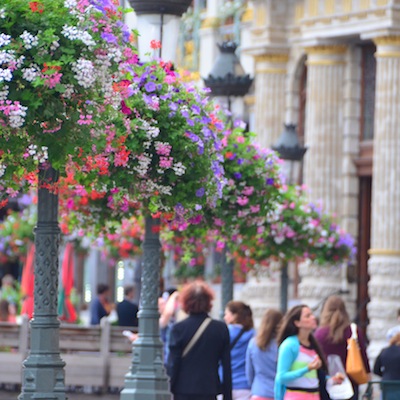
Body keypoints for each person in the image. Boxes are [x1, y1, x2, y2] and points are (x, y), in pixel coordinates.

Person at [167, 280, 232, 400]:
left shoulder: (178, 329)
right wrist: (228, 396)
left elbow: (173, 363)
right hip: (209, 388)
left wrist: (170, 387)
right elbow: (226, 366)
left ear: (186, 302)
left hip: (183, 389)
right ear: (209, 302)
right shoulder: (220, 328)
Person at [274, 304, 342, 400]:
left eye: (312, 314)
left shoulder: (313, 345)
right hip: (296, 396)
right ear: (297, 323)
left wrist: (331, 380)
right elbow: (281, 377)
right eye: (307, 316)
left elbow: (312, 378)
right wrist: (307, 368)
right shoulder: (289, 345)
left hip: (314, 395)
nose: (313, 317)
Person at [314, 295, 370, 399]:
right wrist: (367, 374)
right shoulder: (353, 331)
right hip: (350, 383)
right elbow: (363, 356)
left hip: (328, 383)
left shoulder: (319, 334)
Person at [246, 308, 283, 400]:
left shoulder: (253, 343)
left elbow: (249, 372)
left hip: (259, 391)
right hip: (279, 393)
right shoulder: (282, 345)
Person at [224, 300, 255, 400]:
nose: (224, 317)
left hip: (224, 382)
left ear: (234, 316)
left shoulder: (225, 332)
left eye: (226, 314)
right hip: (244, 384)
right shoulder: (253, 334)